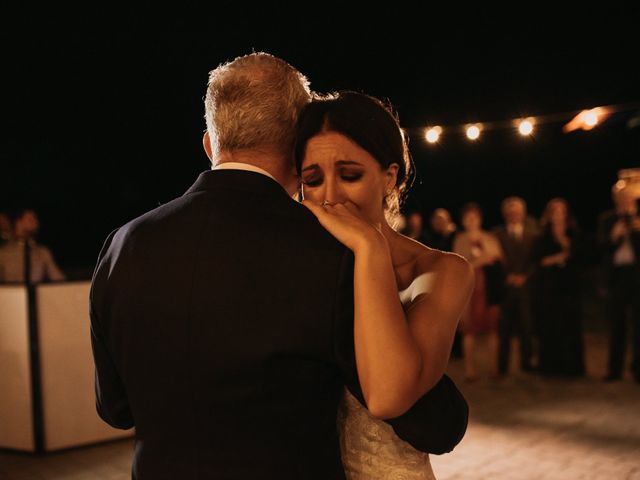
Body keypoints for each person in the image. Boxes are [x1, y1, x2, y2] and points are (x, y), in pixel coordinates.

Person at [91, 52, 358, 479]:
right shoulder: (329, 248)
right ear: (297, 146)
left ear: (209, 144)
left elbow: (116, 409)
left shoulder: (123, 245)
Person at [296, 91, 474, 479]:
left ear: (389, 177)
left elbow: (388, 394)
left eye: (350, 175)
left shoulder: (439, 270)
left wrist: (371, 249)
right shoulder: (300, 267)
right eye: (313, 180)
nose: (329, 197)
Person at [533, 198, 585, 376]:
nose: (558, 215)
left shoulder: (573, 234)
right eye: (554, 211)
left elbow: (581, 258)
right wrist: (558, 258)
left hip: (570, 286)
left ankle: (572, 368)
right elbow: (539, 260)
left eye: (561, 211)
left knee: (570, 324)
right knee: (551, 324)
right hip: (550, 286)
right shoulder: (543, 236)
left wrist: (566, 246)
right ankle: (551, 368)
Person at [452, 202, 503, 381]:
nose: (472, 221)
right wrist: (479, 261)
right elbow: (460, 265)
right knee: (469, 330)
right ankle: (470, 370)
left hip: (489, 288)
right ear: (463, 221)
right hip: (470, 290)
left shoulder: (490, 238)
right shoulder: (460, 239)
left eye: (475, 217)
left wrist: (486, 259)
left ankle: (493, 368)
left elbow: (498, 257)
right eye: (468, 218)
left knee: (492, 329)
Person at [597, 183, 640, 383]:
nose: (624, 201)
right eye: (620, 198)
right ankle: (614, 369)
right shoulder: (607, 219)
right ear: (615, 199)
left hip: (636, 275)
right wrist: (614, 236)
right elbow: (601, 248)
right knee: (616, 325)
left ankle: (637, 369)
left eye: (628, 198)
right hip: (616, 277)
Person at [492, 196, 539, 375]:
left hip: (526, 287)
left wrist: (525, 277)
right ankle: (502, 365)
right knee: (504, 328)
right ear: (505, 214)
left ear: (523, 213)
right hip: (505, 288)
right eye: (510, 211)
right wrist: (507, 276)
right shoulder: (496, 234)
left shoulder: (534, 234)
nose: (514, 214)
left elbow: (536, 260)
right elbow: (494, 262)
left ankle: (527, 362)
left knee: (527, 326)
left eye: (517, 211)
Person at [0, 208, 65, 283]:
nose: (36, 222)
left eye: (36, 219)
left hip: (35, 293)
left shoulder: (42, 253)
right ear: (18, 223)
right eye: (30, 219)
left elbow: (58, 279)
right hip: (10, 293)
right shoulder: (3, 253)